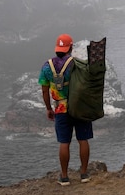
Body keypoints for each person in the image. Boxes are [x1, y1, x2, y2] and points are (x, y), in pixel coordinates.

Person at [38, 33, 92, 185]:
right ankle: (84, 174)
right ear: (71, 47)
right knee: (83, 139)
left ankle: (64, 176)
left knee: (64, 142)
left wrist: (48, 108)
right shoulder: (77, 64)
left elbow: (44, 90)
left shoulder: (47, 66)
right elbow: (87, 84)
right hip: (79, 107)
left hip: (60, 109)